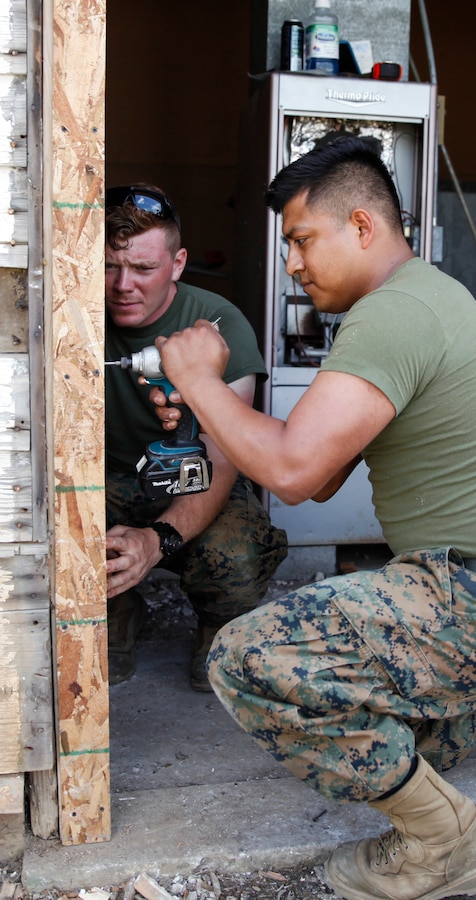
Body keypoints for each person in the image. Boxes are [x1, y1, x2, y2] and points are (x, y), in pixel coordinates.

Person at [147, 139, 476, 900]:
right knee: (372, 723)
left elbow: (292, 472)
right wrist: (208, 402)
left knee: (253, 662)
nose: (292, 263)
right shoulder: (417, 299)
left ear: (361, 226)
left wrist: (200, 381)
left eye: (301, 240)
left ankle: (450, 843)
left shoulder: (393, 314)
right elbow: (316, 476)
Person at [104, 184, 288, 690]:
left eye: (144, 269)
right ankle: (115, 613)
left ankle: (220, 629)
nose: (123, 285)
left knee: (237, 550)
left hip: (197, 476)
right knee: (68, 523)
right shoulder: (71, 317)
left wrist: (155, 540)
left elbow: (223, 455)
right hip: (112, 479)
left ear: (178, 263)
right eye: (110, 266)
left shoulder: (220, 324)